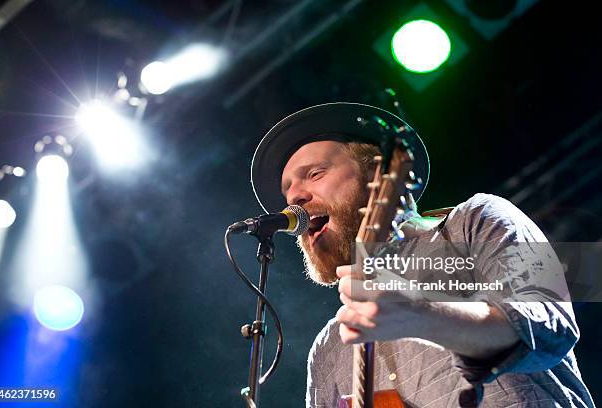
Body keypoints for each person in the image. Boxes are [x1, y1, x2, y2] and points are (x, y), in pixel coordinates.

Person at [250, 103, 595, 407]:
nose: (295, 198)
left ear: (379, 174)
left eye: (314, 174)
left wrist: (417, 314)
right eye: (287, 191)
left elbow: (550, 326)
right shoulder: (328, 348)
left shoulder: (476, 219)